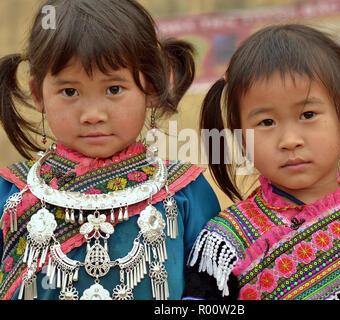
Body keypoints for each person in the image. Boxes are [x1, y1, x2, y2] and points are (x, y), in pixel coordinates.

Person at [0, 0, 220, 300]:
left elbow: (210, 292)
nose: (92, 114)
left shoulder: (184, 191)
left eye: (114, 89)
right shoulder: (10, 193)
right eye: (69, 92)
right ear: (39, 94)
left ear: (152, 88)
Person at [183, 24, 340, 300]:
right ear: (240, 138)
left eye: (308, 114)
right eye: (266, 122)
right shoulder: (225, 244)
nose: (289, 140)